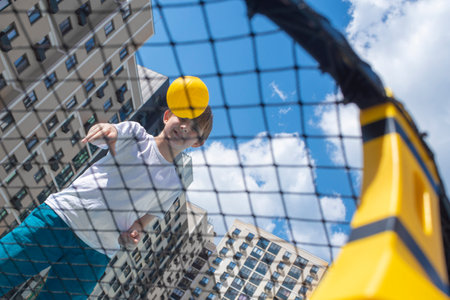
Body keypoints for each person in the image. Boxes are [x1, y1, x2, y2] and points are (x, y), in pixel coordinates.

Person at [0, 107, 213, 299]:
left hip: (96, 253)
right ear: (167, 115)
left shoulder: (173, 185)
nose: (184, 126)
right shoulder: (136, 133)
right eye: (182, 117)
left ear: (197, 142)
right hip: (60, 217)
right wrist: (105, 129)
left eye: (193, 126)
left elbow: (141, 222)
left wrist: (134, 233)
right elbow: (110, 130)